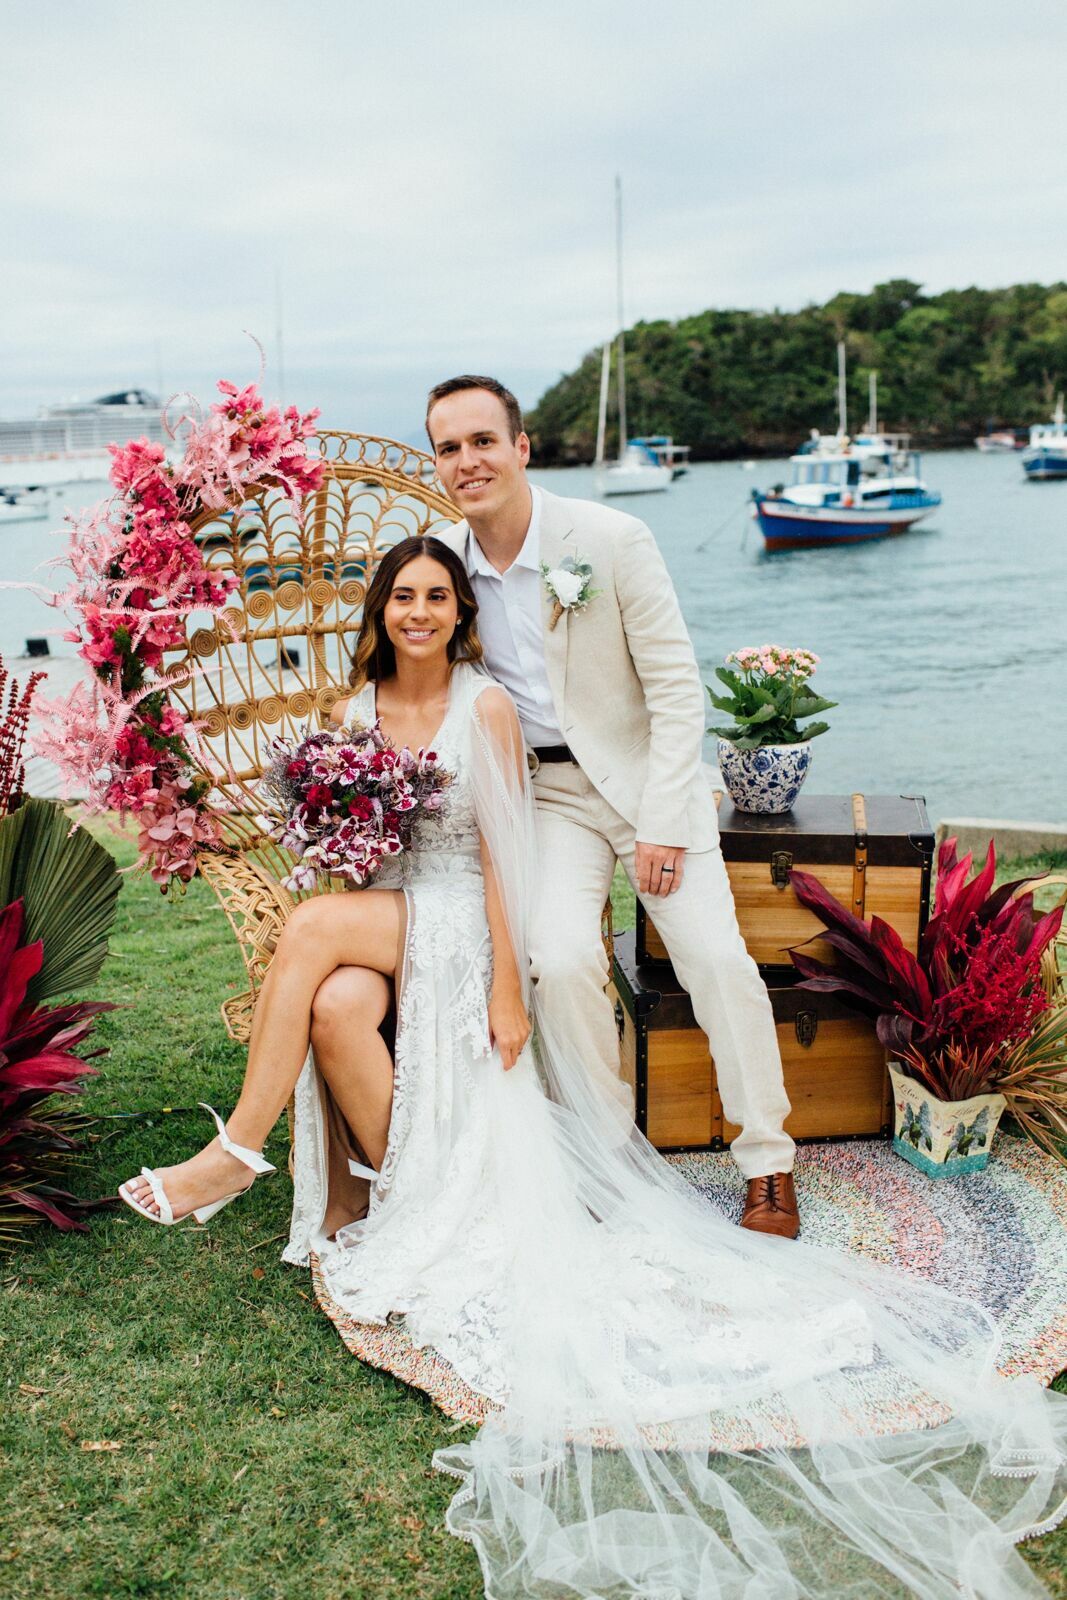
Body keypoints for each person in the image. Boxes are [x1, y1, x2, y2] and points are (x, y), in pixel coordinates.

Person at [120, 535, 1066, 1600]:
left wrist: (506, 988)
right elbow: (346, 849)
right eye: (403, 596)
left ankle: (236, 1150)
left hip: (467, 923)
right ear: (379, 610)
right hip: (383, 913)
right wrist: (337, 841)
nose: (418, 612)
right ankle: (414, 1184)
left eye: (437, 595)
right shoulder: (350, 714)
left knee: (305, 938)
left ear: (458, 613)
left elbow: (499, 861)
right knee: (335, 993)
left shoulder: (484, 707)